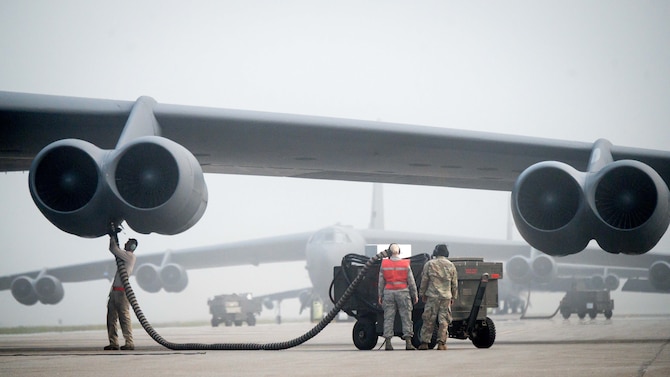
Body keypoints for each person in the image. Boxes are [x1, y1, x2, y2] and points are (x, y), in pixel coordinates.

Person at [378, 243, 418, 351]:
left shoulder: (384, 264)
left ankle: (388, 343)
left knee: (388, 318)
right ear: (399, 252)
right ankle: (408, 343)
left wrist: (380, 295)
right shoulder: (405, 264)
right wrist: (415, 295)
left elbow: (381, 282)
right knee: (406, 318)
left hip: (389, 293)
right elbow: (411, 281)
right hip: (403, 293)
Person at [418, 244, 458, 350]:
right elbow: (454, 283)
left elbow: (424, 280)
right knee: (444, 320)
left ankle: (425, 343)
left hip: (432, 296)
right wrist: (453, 297)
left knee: (428, 320)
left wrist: (422, 294)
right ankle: (441, 343)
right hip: (446, 297)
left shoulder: (429, 264)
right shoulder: (451, 265)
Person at [104, 235, 138, 351]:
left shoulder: (130, 256)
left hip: (122, 292)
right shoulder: (124, 257)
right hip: (114, 291)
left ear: (132, 246)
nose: (125, 244)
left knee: (124, 318)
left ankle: (129, 342)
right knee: (111, 318)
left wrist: (112, 236)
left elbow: (113, 249)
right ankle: (113, 342)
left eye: (128, 243)